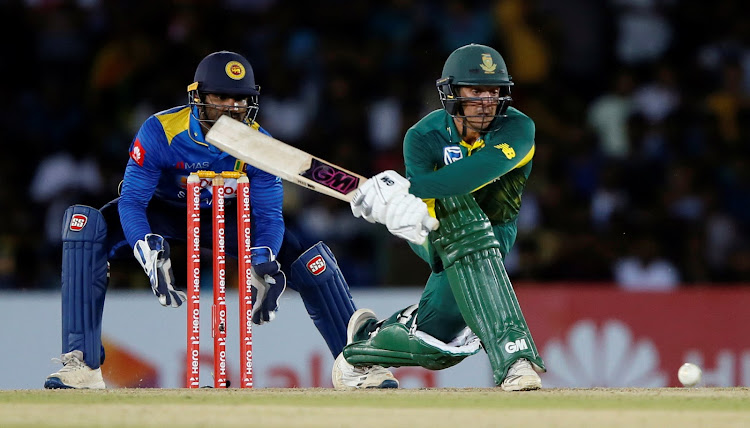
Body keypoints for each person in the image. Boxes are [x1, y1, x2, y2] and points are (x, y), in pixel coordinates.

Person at [44, 50, 397, 389]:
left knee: (312, 260)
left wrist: (263, 257)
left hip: (230, 220)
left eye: (240, 99)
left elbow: (269, 216)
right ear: (197, 97)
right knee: (83, 225)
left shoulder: (260, 144)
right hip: (164, 213)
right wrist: (143, 246)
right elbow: (133, 200)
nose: (232, 107)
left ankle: (358, 365)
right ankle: (81, 364)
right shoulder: (160, 131)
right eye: (221, 97)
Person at [336, 44, 547, 391]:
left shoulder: (518, 129)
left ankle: (362, 349)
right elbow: (425, 207)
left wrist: (404, 187)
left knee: (439, 345)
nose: (486, 101)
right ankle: (515, 359)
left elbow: (474, 173)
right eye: (475, 90)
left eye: (494, 91)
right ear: (451, 93)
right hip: (430, 231)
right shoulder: (422, 136)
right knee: (460, 215)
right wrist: (397, 210)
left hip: (495, 233)